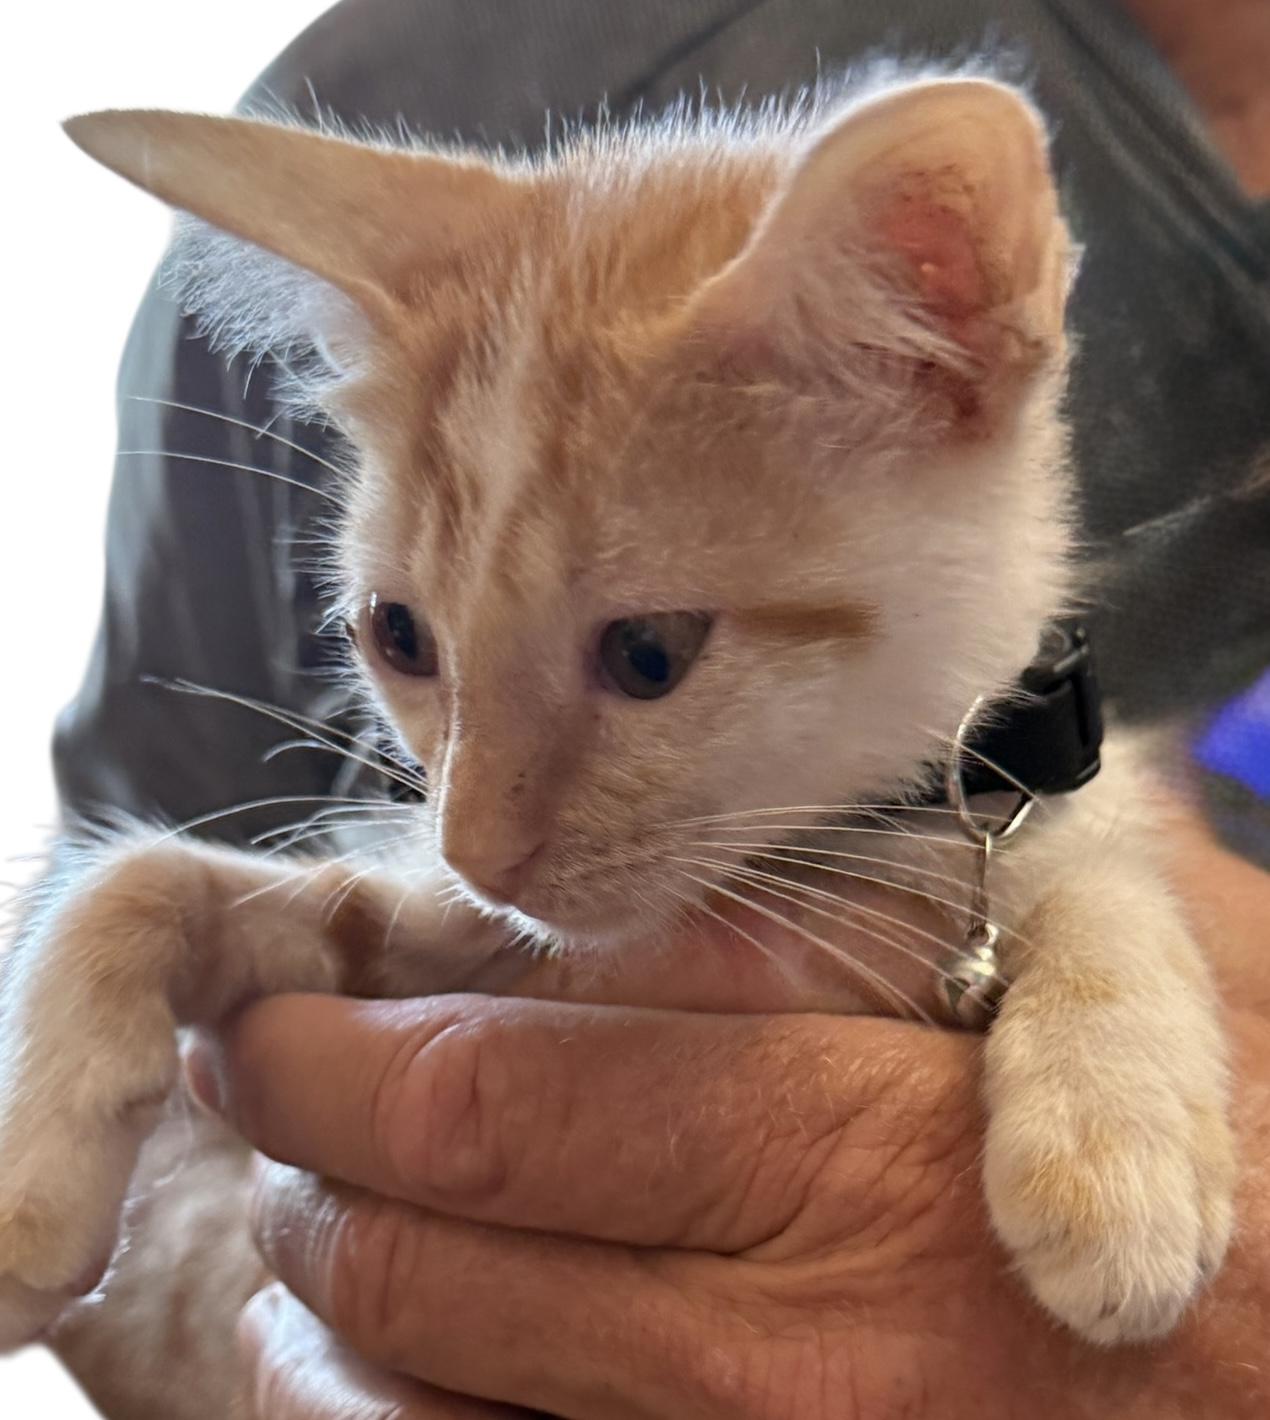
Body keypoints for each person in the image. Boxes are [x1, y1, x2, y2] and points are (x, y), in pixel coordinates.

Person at [49, 0, 1270, 1414]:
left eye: (642, 657)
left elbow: (1066, 836)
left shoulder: (1016, 758)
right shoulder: (467, 61)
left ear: (935, 354)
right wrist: (292, 1334)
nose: (478, 840)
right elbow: (130, 1149)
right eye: (403, 639)